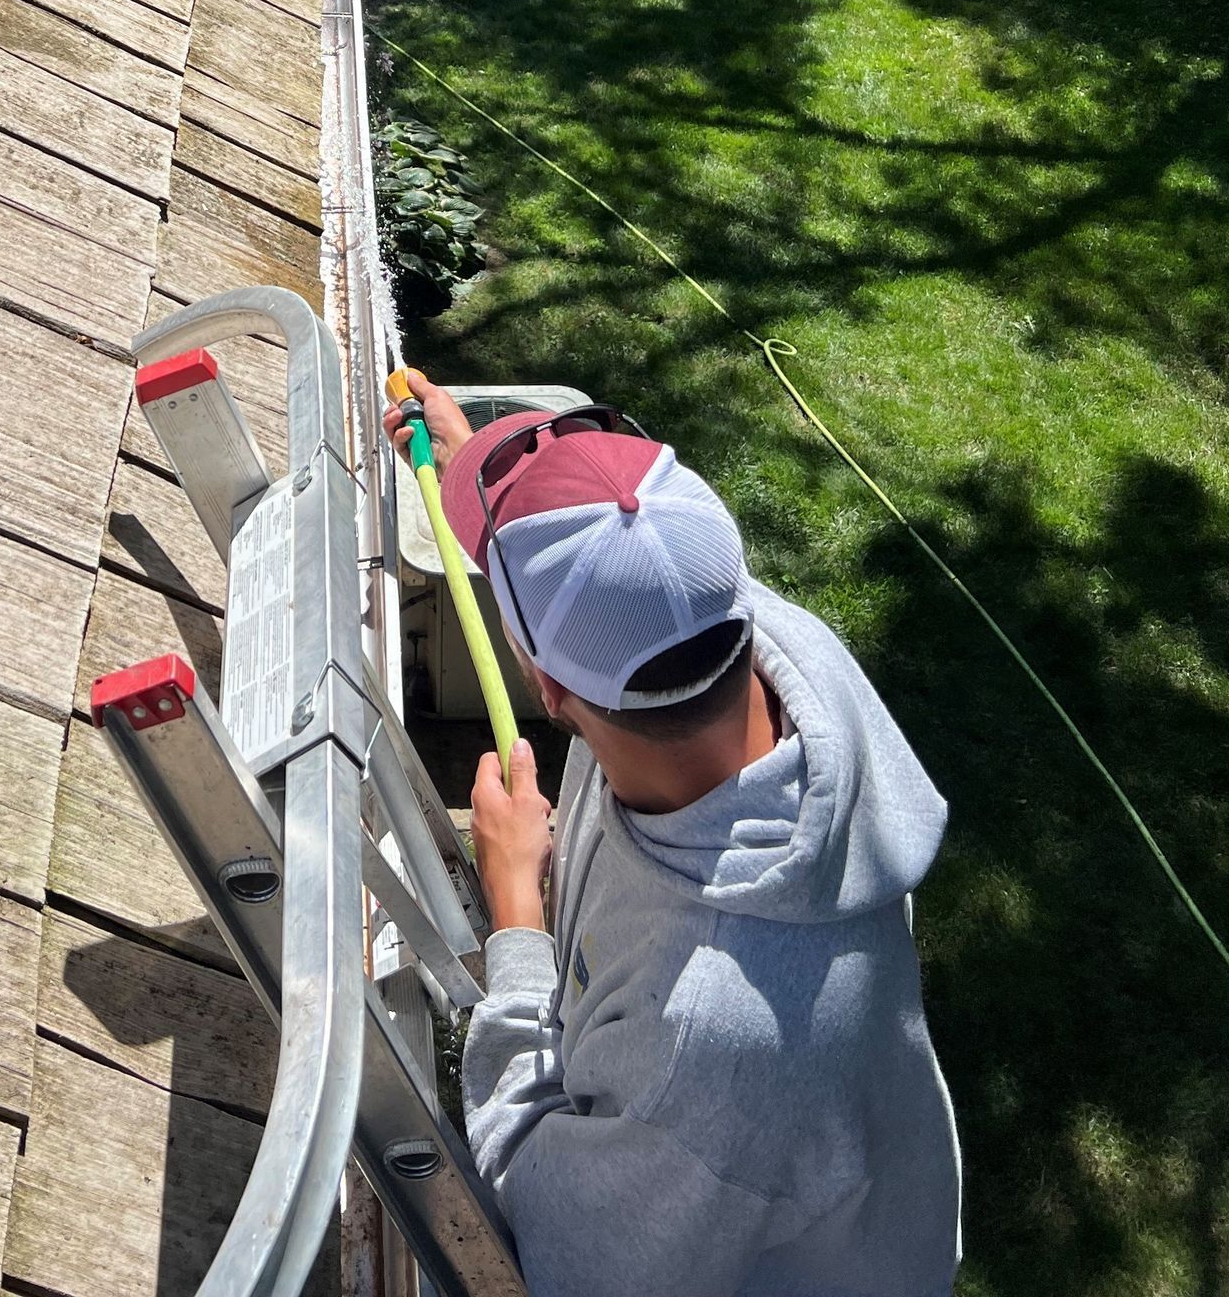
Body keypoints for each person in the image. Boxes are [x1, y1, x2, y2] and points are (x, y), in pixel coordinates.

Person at [385, 373, 962, 1297]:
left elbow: (554, 1234)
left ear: (549, 691)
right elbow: (629, 572)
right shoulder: (756, 639)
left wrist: (519, 922)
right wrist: (479, 470)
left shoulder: (702, 1053)